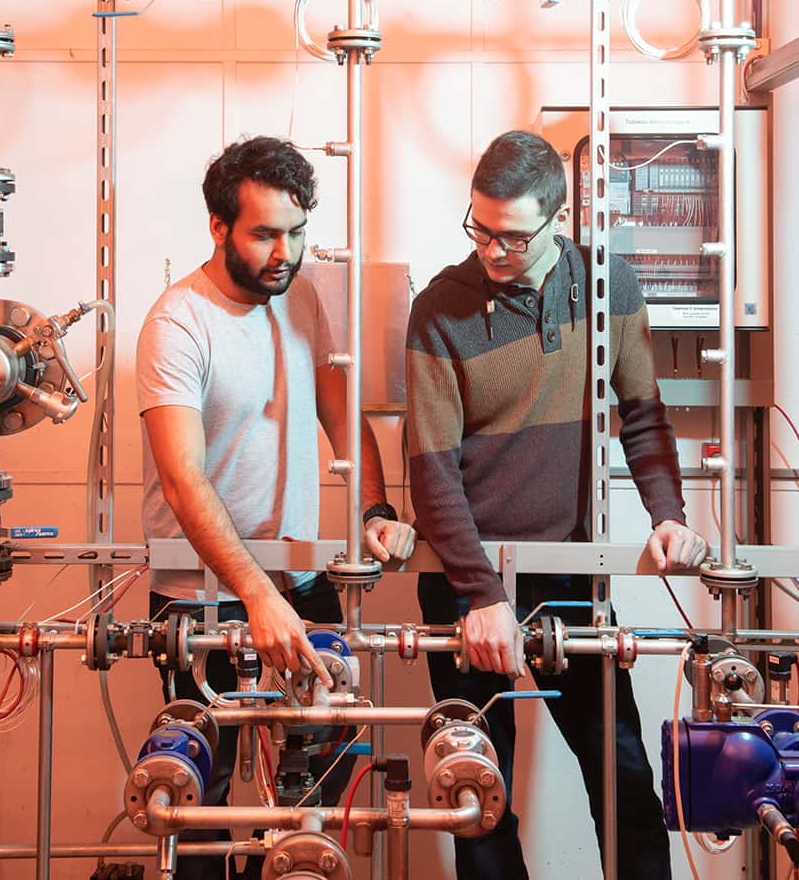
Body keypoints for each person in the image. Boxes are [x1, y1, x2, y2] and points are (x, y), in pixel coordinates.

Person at [405, 130, 708, 880]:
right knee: (476, 799)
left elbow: (641, 413)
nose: (492, 250)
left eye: (511, 235)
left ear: (558, 218)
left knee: (627, 785)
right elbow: (433, 469)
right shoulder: (439, 309)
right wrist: (480, 594)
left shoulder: (611, 285)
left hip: (571, 578)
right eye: (479, 229)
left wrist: (668, 512)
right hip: (465, 584)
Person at [136, 135, 416, 879]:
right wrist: (251, 593)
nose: (284, 252)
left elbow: (340, 412)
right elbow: (182, 479)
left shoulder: (300, 296)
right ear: (219, 226)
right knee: (205, 802)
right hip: (205, 601)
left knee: (313, 793)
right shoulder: (177, 324)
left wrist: (374, 508)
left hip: (295, 584)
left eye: (296, 232)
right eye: (264, 233)